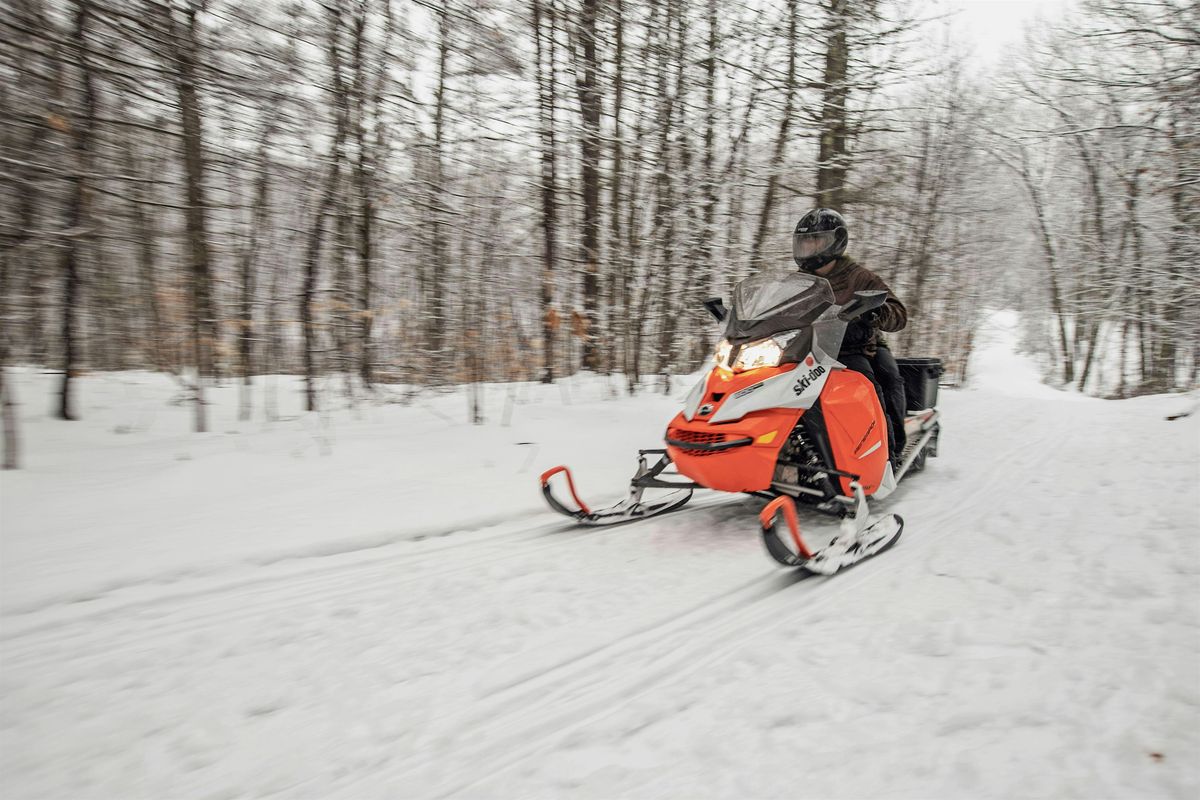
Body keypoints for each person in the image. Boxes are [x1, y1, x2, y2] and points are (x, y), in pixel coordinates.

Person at [792, 208, 909, 467]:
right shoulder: (798, 281)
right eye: (805, 241)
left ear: (836, 241)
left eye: (815, 240)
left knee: (885, 379)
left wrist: (875, 312)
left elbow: (899, 313)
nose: (809, 246)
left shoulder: (860, 276)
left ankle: (890, 450)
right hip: (810, 348)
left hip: (858, 345)